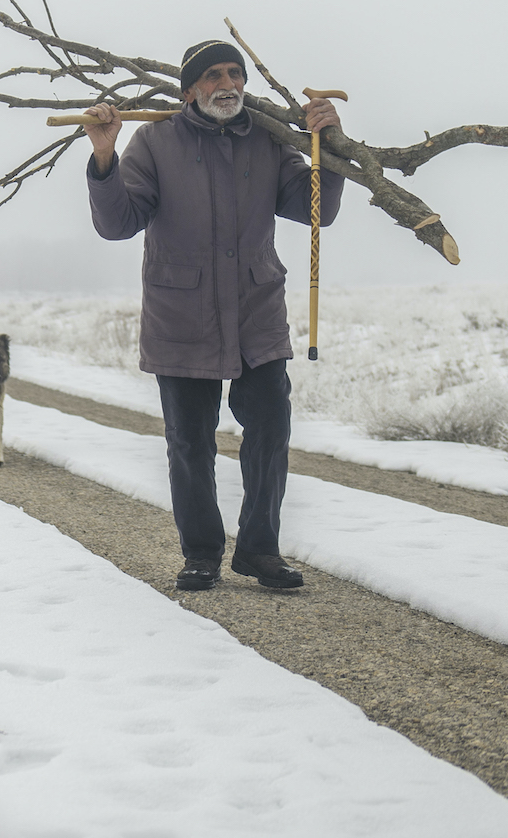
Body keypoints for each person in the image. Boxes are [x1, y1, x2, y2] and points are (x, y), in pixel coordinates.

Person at [83, 39, 345, 591]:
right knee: (190, 441)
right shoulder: (153, 141)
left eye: (235, 75)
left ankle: (259, 550)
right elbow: (118, 223)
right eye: (213, 77)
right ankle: (201, 552)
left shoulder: (270, 139)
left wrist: (329, 142)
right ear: (188, 90)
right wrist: (104, 156)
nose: (228, 85)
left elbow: (314, 207)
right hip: (182, 315)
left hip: (256, 312)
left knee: (271, 431)